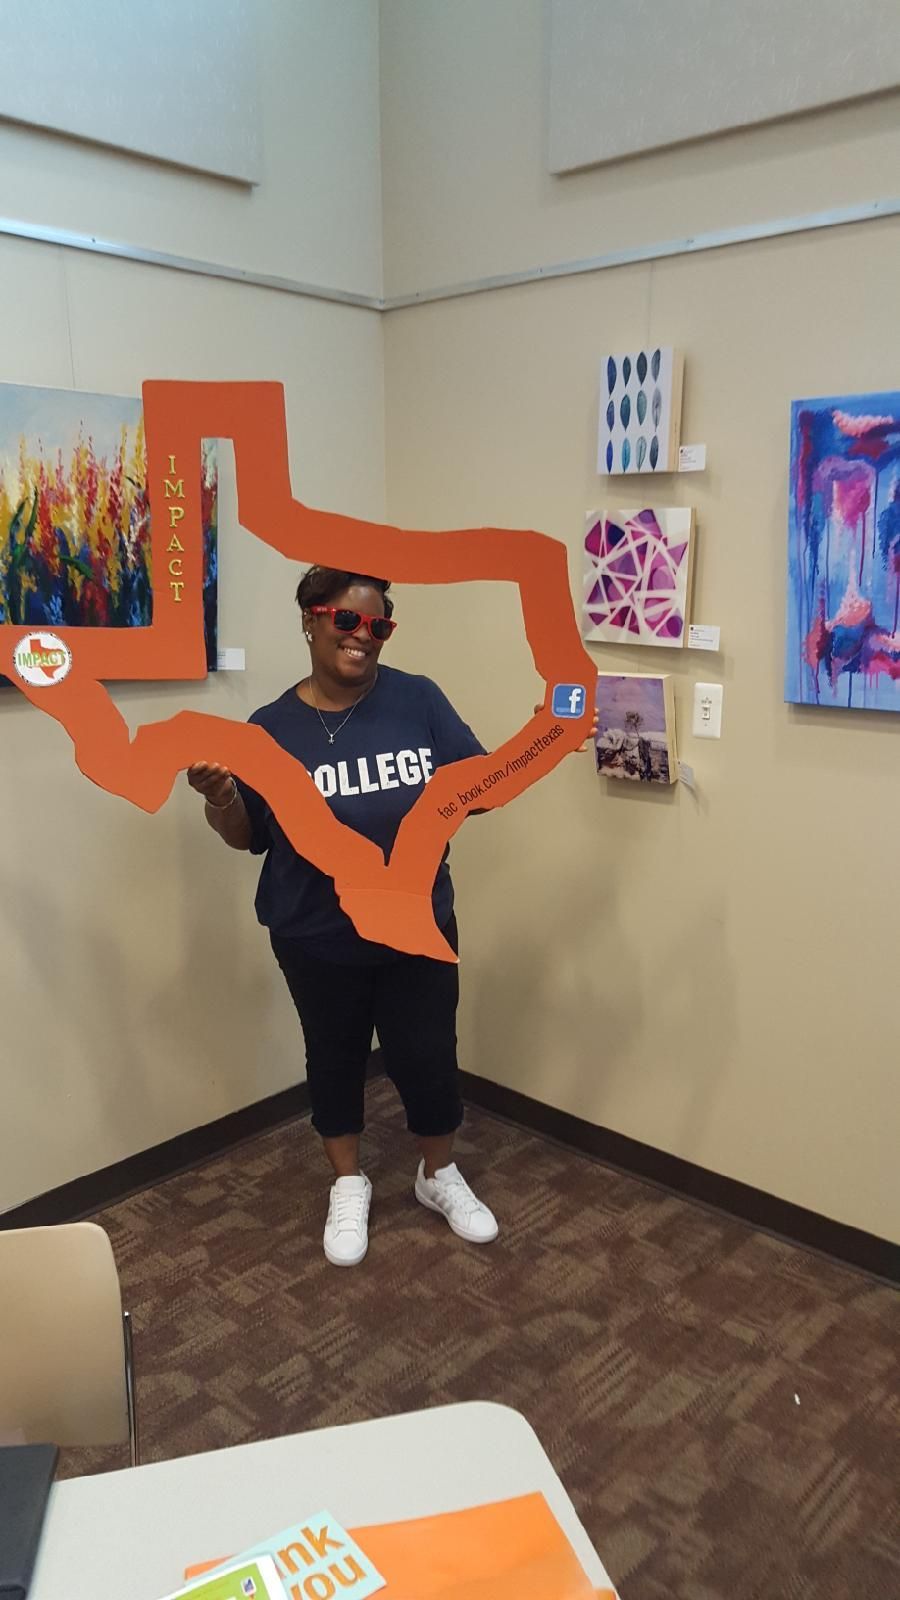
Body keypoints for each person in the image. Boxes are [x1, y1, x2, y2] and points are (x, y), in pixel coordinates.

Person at [187, 566, 499, 1268]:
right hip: (316, 933)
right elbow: (248, 837)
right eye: (348, 621)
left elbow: (474, 781)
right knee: (334, 1058)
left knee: (428, 1055)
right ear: (311, 619)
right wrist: (220, 798)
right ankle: (349, 1182)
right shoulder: (269, 729)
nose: (364, 636)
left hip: (418, 923)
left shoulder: (417, 699)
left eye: (379, 625)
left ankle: (437, 1175)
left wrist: (550, 737)